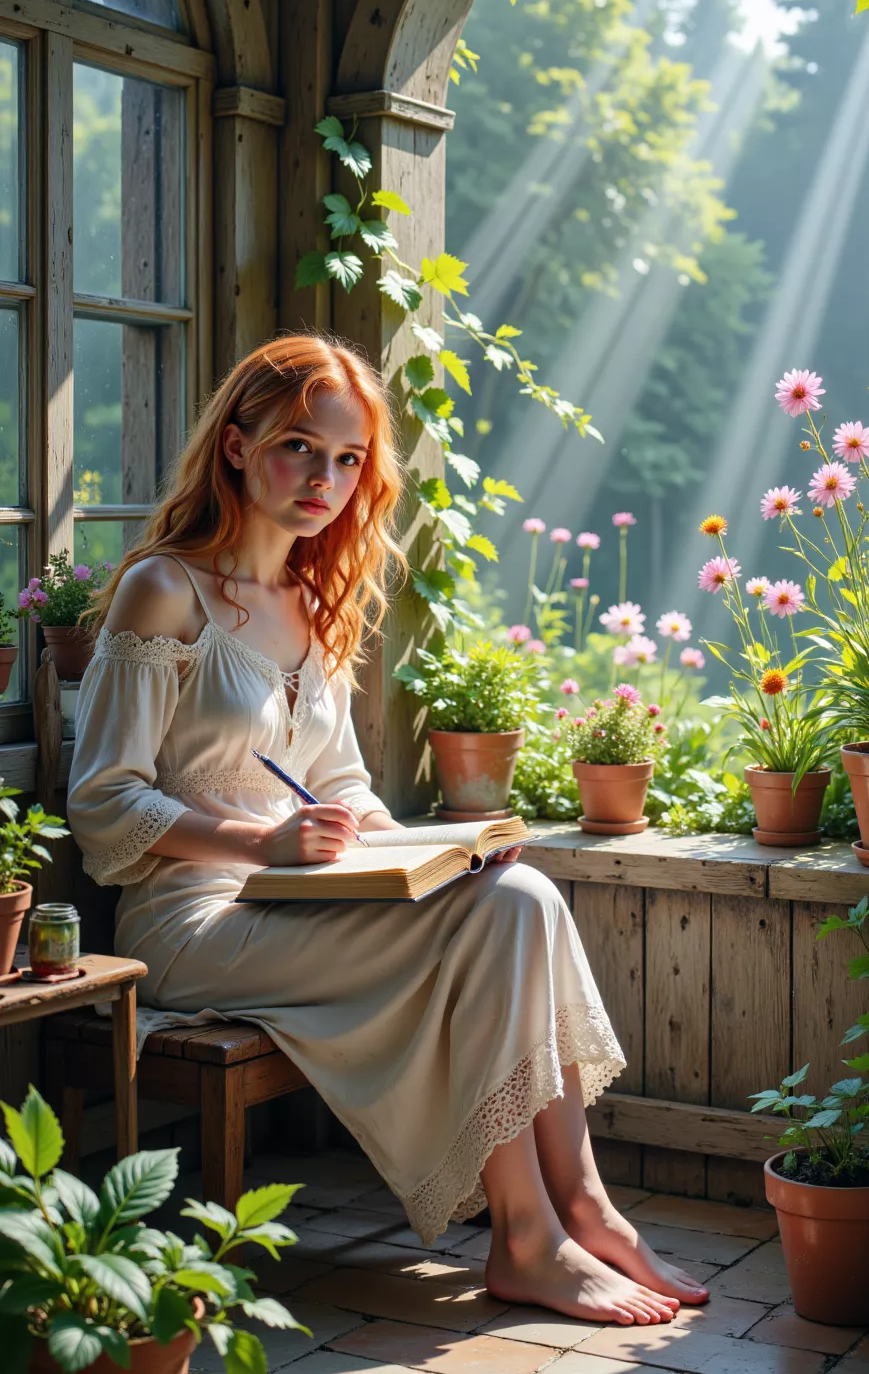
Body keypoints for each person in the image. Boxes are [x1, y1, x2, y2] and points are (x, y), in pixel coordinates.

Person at [67, 333, 709, 1325]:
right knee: (505, 916)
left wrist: (451, 850)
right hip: (191, 925)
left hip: (292, 906)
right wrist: (261, 844)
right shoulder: (165, 588)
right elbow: (103, 801)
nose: (323, 479)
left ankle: (582, 1208)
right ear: (235, 446)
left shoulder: (310, 599)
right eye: (297, 447)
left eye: (347, 457)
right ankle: (528, 1237)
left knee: (518, 891)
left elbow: (346, 791)